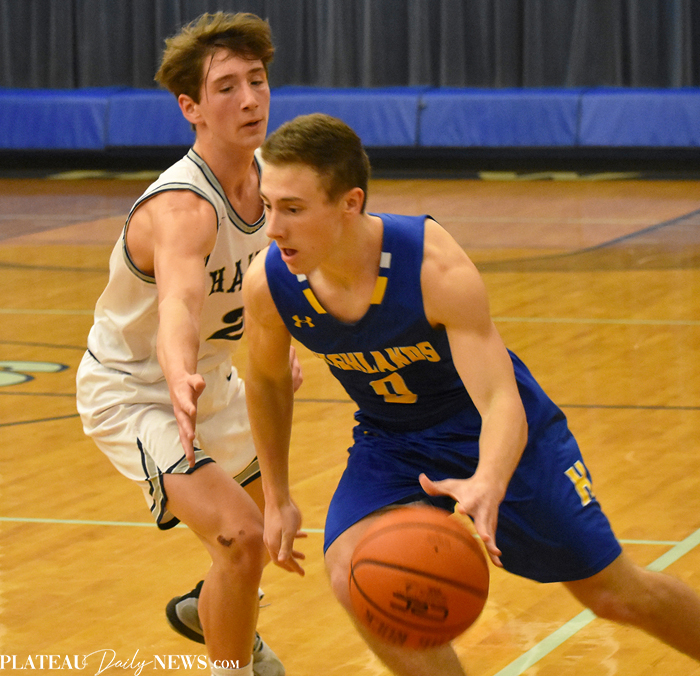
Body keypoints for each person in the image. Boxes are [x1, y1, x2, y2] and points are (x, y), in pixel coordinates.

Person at [240, 112, 700, 675]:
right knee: (359, 575)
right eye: (267, 206)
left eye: (292, 209)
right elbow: (266, 380)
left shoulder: (431, 267)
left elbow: (501, 399)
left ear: (349, 203)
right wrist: (277, 497)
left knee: (615, 596)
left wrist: (489, 478)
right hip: (392, 440)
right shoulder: (270, 284)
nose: (273, 229)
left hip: (489, 428)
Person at [76, 12, 300, 676]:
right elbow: (179, 301)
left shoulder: (275, 181)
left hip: (214, 379)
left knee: (263, 533)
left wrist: (282, 340)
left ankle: (211, 609)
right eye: (226, 87)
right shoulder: (182, 208)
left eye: (256, 80)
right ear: (190, 107)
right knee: (240, 536)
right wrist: (177, 372)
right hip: (137, 389)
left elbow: (286, 271)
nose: (250, 99)